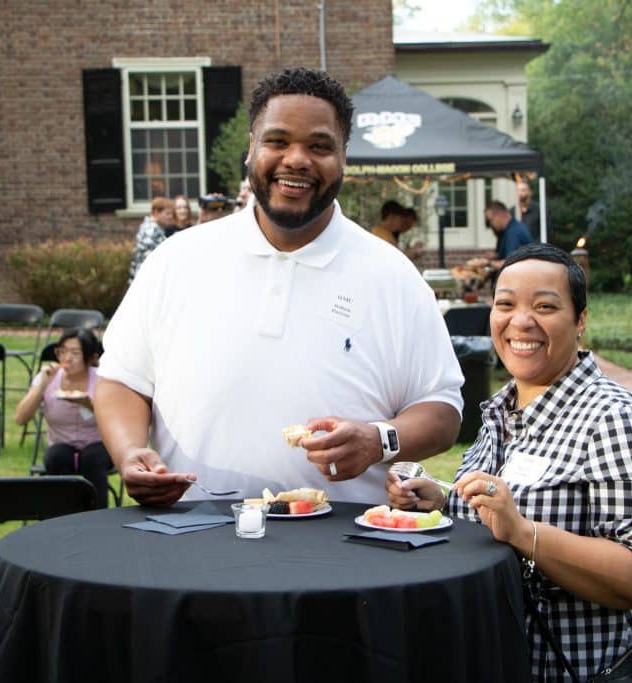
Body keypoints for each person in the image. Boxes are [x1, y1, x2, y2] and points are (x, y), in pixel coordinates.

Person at [95, 67, 464, 507]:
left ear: (344, 156)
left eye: (319, 146)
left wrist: (377, 440)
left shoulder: (392, 276)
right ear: (251, 149)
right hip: (191, 531)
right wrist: (129, 451)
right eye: (278, 141)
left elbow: (442, 410)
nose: (297, 159)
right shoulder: (177, 260)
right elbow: (122, 380)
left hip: (343, 544)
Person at [387, 243, 632, 681]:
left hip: (596, 668)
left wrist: (525, 533)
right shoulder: (503, 412)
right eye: (505, 304)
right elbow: (513, 503)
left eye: (545, 306)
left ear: (580, 321)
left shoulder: (619, 420)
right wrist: (442, 501)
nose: (520, 321)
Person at [14, 328, 114, 508]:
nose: (67, 358)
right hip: (62, 443)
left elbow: (115, 422)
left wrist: (89, 405)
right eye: (63, 351)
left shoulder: (102, 380)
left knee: (93, 459)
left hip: (99, 443)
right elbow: (21, 418)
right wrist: (42, 385)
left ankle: (97, 518)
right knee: (55, 457)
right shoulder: (48, 377)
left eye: (75, 353)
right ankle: (59, 516)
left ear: (91, 357)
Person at [128, 196, 172, 283]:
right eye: (167, 214)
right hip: (146, 280)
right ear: (156, 212)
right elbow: (156, 260)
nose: (170, 217)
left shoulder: (149, 226)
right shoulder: (151, 231)